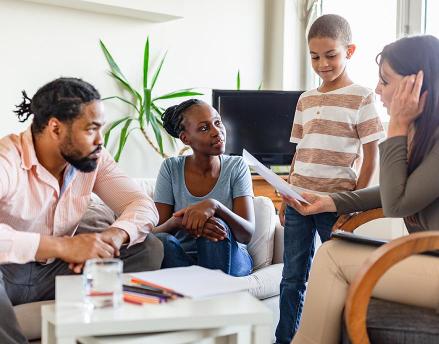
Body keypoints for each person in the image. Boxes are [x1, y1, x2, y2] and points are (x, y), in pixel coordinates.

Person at [281, 35, 438, 344]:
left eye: (385, 81)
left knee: (332, 258)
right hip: (430, 257)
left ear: (415, 85)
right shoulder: (427, 135)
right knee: (330, 256)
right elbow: (395, 191)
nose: (378, 89)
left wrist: (397, 126)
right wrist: (329, 201)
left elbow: (396, 203)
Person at [0, 77, 163, 344]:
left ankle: (99, 334)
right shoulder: (7, 159)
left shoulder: (92, 157)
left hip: (57, 274)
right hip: (7, 272)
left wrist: (114, 236)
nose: (101, 140)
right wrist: (62, 247)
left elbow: (142, 204)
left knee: (149, 247)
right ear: (55, 128)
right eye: (91, 129)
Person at [275, 14, 385, 344]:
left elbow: (370, 155)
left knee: (340, 275)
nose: (322, 64)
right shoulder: (305, 99)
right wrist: (286, 194)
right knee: (292, 277)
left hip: (335, 205)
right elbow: (299, 151)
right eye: (315, 56)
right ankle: (285, 339)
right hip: (298, 202)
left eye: (330, 55)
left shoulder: (362, 96)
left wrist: (353, 203)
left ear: (349, 50)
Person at [152, 99, 254, 277]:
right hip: (183, 259)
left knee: (215, 227)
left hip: (231, 256)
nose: (217, 132)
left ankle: (210, 294)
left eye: (217, 122)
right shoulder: (171, 168)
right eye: (204, 128)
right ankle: (201, 289)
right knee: (161, 241)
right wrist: (178, 222)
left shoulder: (237, 166)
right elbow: (155, 232)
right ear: (186, 138)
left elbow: (247, 234)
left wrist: (215, 206)